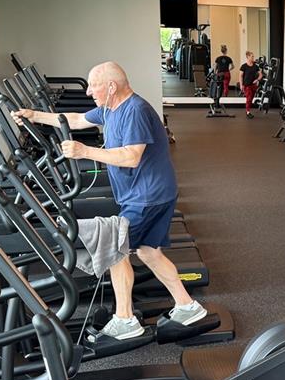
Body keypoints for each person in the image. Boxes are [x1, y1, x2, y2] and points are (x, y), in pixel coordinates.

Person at [14, 62, 207, 340]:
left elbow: (131, 156)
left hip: (147, 197)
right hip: (151, 193)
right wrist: (34, 115)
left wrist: (84, 151)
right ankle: (187, 305)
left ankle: (125, 319)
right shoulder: (109, 108)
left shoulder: (135, 111)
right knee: (148, 251)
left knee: (116, 250)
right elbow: (77, 120)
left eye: (94, 85)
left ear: (112, 87)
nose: (89, 91)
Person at [238, 51, 262, 119]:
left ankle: (247, 110)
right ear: (248, 57)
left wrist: (257, 80)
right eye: (252, 56)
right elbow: (240, 76)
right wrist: (241, 85)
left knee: (251, 98)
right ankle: (248, 112)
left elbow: (261, 75)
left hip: (253, 85)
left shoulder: (255, 66)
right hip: (247, 85)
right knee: (249, 98)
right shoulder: (244, 66)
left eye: (253, 56)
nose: (253, 57)